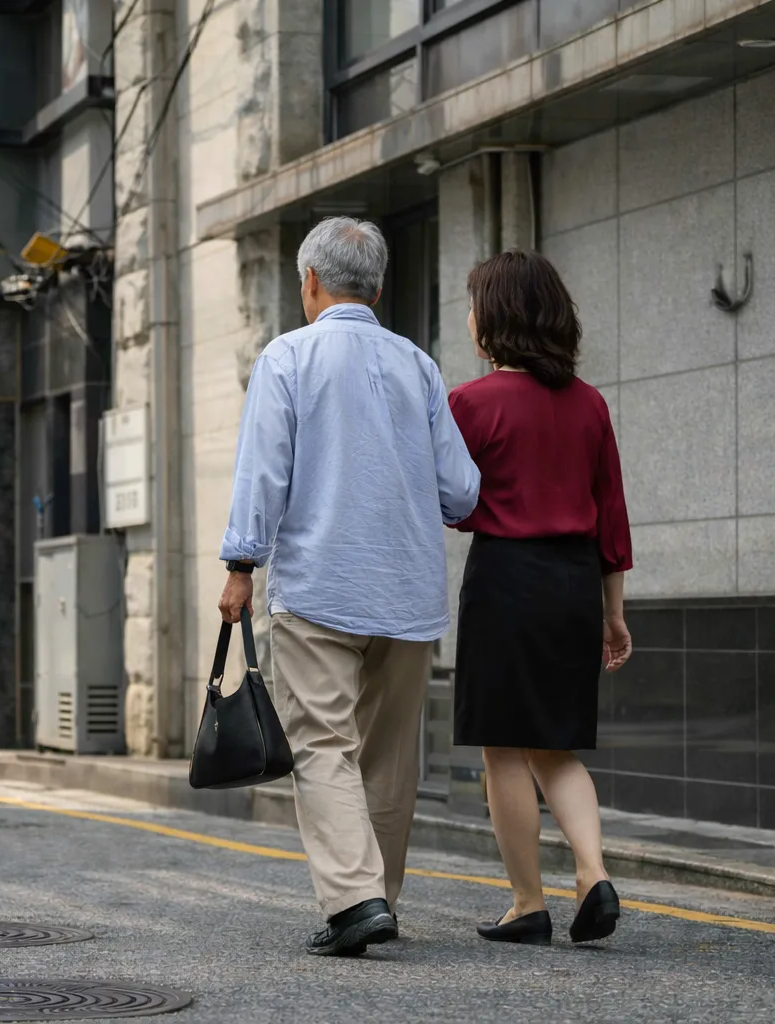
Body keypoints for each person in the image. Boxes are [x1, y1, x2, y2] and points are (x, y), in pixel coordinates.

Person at [218, 216, 481, 957]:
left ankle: (355, 900)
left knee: (324, 745)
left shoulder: (288, 358)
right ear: (378, 286)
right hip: (408, 592)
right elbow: (462, 491)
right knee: (390, 755)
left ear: (310, 281)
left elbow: (262, 470)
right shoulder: (418, 366)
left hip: (321, 587)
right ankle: (379, 897)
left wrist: (241, 564)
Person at [447, 248, 633, 946]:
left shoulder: (469, 403)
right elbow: (611, 514)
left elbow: (451, 502)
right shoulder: (590, 405)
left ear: (494, 319)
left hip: (505, 580)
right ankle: (593, 871)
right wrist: (613, 613)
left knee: (504, 749)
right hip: (575, 584)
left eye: (474, 306)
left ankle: (528, 902)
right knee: (556, 746)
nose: (469, 319)